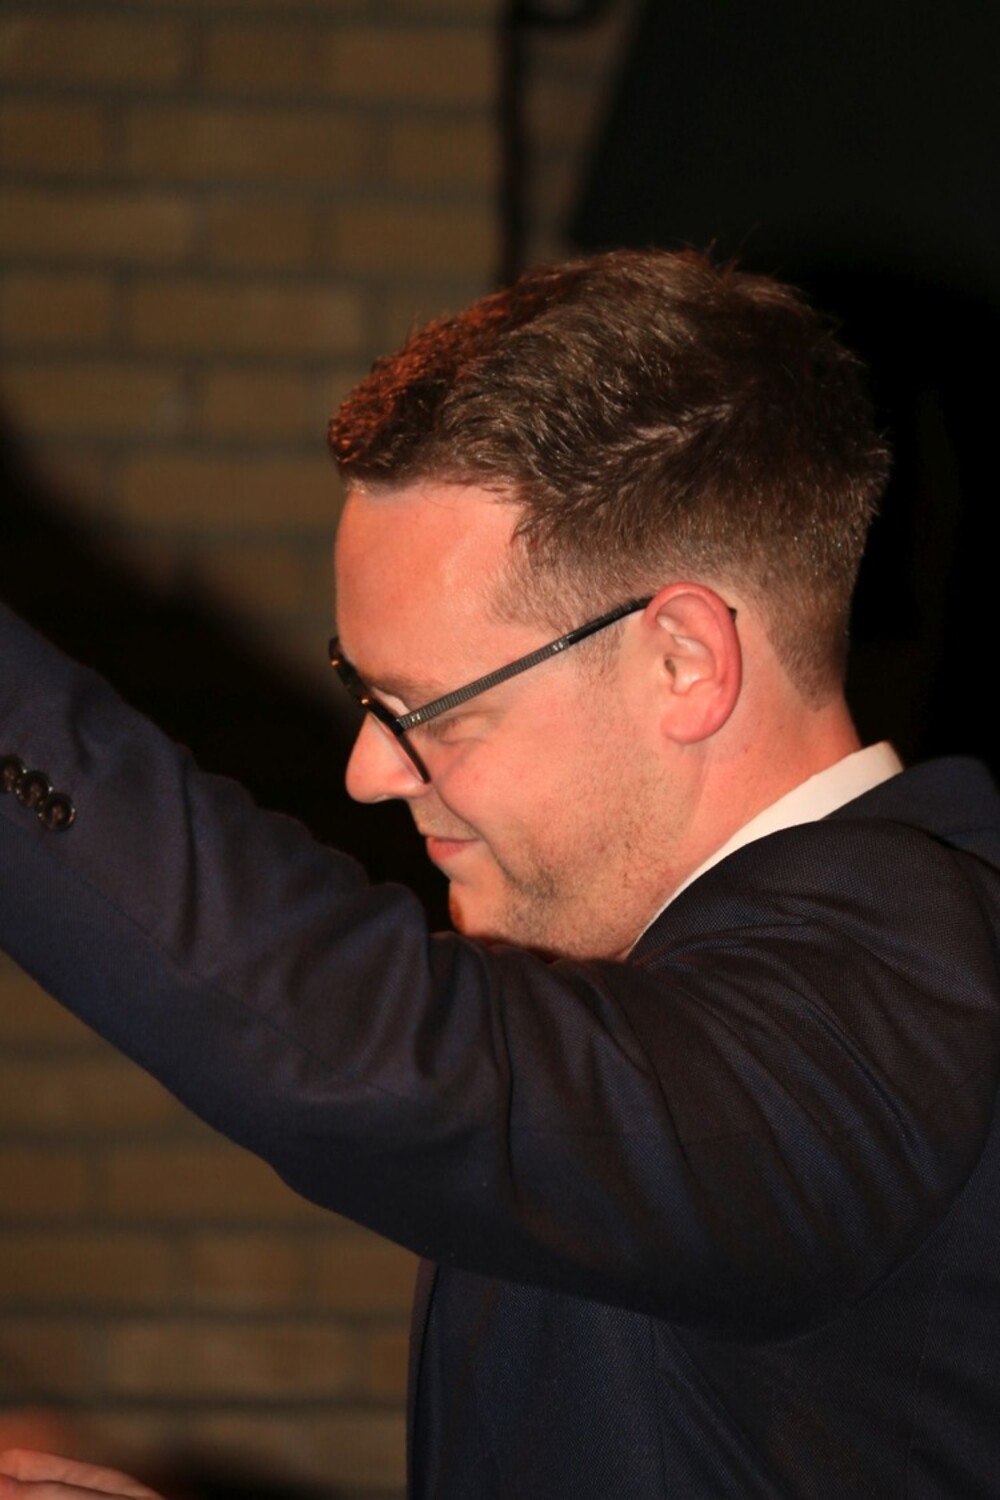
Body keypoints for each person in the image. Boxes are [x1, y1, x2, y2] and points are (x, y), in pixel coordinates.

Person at [2, 249, 1000, 1499]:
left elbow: (370, 1060)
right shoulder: (754, 1002)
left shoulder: (903, 991)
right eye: (359, 693)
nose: (369, 769)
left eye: (426, 708)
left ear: (683, 662)